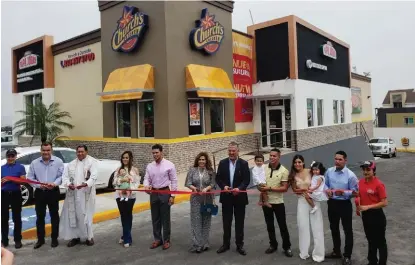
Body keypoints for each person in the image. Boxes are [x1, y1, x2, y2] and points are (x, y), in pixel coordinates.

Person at [215, 142, 250, 256]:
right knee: (226, 222)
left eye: (233, 151)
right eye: (229, 151)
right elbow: (218, 178)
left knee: (239, 222)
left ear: (238, 151)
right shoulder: (222, 163)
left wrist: (239, 189)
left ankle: (240, 245)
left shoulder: (244, 164)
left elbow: (246, 180)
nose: (231, 153)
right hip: (226, 197)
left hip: (239, 197)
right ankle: (226, 244)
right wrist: (223, 186)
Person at [27, 142, 64, 249]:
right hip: (40, 193)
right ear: (41, 150)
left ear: (51, 150)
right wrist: (39, 186)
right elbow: (30, 178)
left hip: (53, 192)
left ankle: (54, 239)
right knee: (40, 217)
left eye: (48, 150)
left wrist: (54, 183)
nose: (46, 152)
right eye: (44, 150)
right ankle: (40, 239)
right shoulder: (34, 163)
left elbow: (61, 176)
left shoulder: (58, 161)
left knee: (54, 216)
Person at [60, 145, 98, 247]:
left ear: (86, 151)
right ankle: (75, 237)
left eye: (82, 152)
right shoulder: (71, 164)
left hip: (86, 194)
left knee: (86, 215)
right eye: (78, 152)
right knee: (74, 216)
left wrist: (86, 184)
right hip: (73, 194)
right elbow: (65, 177)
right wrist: (68, 184)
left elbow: (94, 176)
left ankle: (89, 237)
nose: (80, 154)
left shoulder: (92, 162)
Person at [325, 150, 358, 265]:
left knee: (347, 230)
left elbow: (356, 193)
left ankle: (347, 255)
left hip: (345, 205)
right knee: (334, 229)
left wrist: (344, 192)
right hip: (332, 203)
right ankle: (336, 251)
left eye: (340, 159)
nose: (337, 161)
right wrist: (327, 190)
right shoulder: (329, 171)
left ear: (345, 160)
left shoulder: (351, 175)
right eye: (336, 159)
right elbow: (325, 184)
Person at [258, 148, 293, 257]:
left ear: (279, 157)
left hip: (278, 202)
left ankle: (287, 247)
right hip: (266, 202)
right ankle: (273, 245)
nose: (272, 158)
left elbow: (284, 188)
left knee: (282, 226)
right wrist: (261, 188)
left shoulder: (284, 171)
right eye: (271, 156)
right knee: (270, 226)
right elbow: (260, 184)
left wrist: (269, 188)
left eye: (274, 156)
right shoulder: (263, 168)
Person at [144, 144, 178, 250]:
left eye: (156, 152)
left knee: (165, 218)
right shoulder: (150, 166)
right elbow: (146, 178)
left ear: (161, 152)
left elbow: (174, 181)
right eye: (153, 153)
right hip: (153, 193)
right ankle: (157, 239)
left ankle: (166, 240)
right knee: (155, 217)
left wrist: (172, 195)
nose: (155, 155)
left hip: (165, 192)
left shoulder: (169, 165)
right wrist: (146, 186)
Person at [356, 161, 388, 265]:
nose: (365, 172)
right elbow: (359, 194)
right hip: (366, 216)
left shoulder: (378, 184)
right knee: (370, 240)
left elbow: (384, 203)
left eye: (368, 170)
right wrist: (358, 203)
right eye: (364, 170)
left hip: (377, 216)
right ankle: (372, 261)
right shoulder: (360, 182)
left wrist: (368, 206)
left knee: (380, 242)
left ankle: (382, 263)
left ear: (373, 171)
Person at [184, 152, 216, 253]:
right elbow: (187, 183)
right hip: (195, 199)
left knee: (206, 221)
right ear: (197, 161)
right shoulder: (192, 170)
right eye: (200, 159)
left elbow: (213, 184)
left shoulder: (211, 171)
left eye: (203, 159)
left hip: (208, 198)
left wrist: (207, 188)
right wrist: (195, 188)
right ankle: (197, 244)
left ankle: (205, 243)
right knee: (196, 222)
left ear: (206, 161)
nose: (201, 161)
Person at [113, 151, 140, 248]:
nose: (125, 159)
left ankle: (127, 238)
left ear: (130, 159)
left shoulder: (135, 170)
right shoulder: (118, 170)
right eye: (123, 157)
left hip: (130, 196)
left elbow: (136, 183)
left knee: (128, 214)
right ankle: (126, 236)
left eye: (127, 158)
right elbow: (114, 182)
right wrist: (121, 184)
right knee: (123, 215)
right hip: (120, 196)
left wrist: (130, 189)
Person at [1, 149, 26, 249]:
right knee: (3, 218)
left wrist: (12, 179)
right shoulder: (2, 168)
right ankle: (4, 240)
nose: (10, 158)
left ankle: (17, 240)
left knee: (17, 218)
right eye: (9, 156)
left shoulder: (20, 167)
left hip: (16, 194)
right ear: (7, 157)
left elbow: (24, 181)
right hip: (4, 194)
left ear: (15, 156)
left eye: (12, 156)